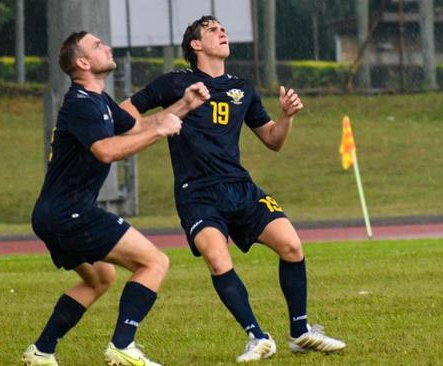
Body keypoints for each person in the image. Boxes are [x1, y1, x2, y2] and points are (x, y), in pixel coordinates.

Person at [120, 16, 346, 362]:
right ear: (195, 45)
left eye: (222, 28)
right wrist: (159, 122)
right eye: (212, 30)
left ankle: (300, 332)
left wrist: (286, 117)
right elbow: (125, 113)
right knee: (216, 255)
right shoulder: (174, 83)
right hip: (197, 193)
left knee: (291, 244)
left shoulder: (243, 87)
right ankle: (257, 336)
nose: (222, 32)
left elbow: (273, 140)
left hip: (240, 186)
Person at [22, 31, 209, 366]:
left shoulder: (99, 101)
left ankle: (42, 351)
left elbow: (137, 126)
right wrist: (158, 131)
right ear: (82, 63)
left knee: (100, 278)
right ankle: (122, 347)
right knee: (154, 262)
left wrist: (184, 106)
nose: (106, 47)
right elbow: (107, 151)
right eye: (97, 46)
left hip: (53, 214)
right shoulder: (81, 104)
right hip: (70, 214)